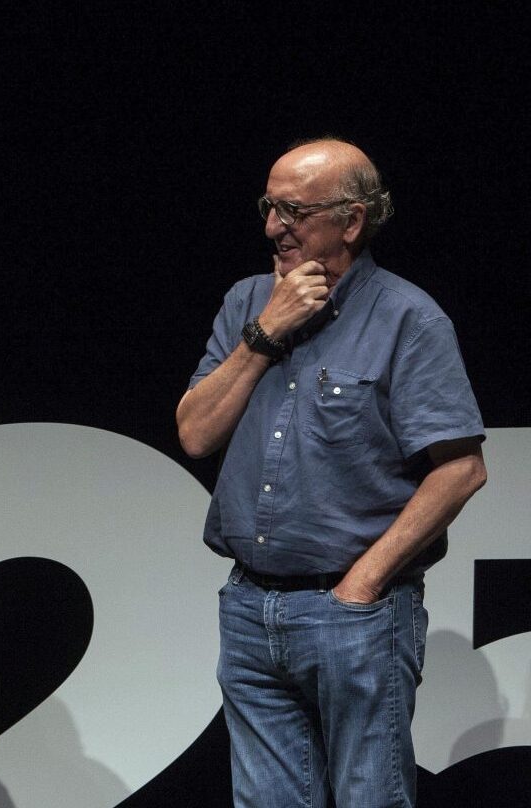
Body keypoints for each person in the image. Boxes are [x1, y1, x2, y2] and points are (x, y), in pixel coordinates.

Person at [176, 138, 487, 807]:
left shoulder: (408, 318)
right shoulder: (246, 303)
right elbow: (196, 432)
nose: (271, 227)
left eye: (293, 210)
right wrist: (265, 332)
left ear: (351, 221)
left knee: (368, 797)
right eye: (268, 206)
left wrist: (364, 582)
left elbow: (460, 468)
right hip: (250, 608)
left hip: (357, 615)